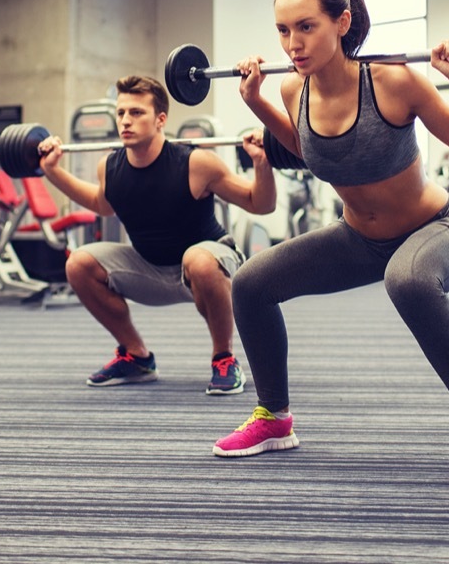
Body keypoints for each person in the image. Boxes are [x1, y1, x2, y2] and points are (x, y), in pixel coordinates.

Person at [215, 0, 449, 494]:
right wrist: (256, 101)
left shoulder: (394, 82)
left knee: (410, 282)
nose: (292, 43)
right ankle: (274, 417)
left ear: (342, 22)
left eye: (305, 27)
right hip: (359, 239)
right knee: (251, 282)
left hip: (435, 228)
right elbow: (312, 153)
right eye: (283, 31)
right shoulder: (292, 88)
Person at [36, 75, 277, 395]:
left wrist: (262, 163)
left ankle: (224, 358)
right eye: (121, 113)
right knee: (78, 263)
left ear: (160, 119)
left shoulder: (196, 162)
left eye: (136, 113)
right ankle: (136, 356)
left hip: (208, 265)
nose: (125, 121)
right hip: (150, 267)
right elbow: (101, 204)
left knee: (198, 260)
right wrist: (52, 171)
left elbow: (260, 205)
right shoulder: (110, 166)